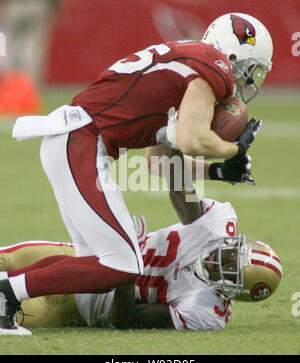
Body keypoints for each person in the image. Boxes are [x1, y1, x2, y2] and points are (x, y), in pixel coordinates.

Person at [1, 13, 273, 333]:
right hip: (83, 140)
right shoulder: (215, 66)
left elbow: (159, 163)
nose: (245, 82)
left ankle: (7, 286)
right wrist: (233, 150)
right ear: (232, 55)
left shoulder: (185, 69)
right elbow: (190, 137)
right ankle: (7, 295)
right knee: (122, 264)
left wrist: (218, 169)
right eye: (249, 70)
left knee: (95, 259)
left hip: (78, 139)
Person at [0, 200, 282, 331]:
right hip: (78, 258)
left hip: (76, 307)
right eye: (232, 252)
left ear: (234, 292)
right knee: (5, 261)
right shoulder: (217, 223)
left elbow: (124, 320)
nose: (220, 259)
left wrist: (127, 264)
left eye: (229, 269)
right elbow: (179, 187)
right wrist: (176, 140)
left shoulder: (208, 312)